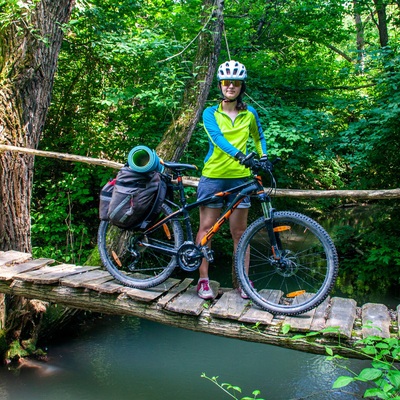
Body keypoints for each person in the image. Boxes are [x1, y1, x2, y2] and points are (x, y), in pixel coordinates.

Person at [195, 60, 268, 300]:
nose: (230, 86)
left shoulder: (249, 113)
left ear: (241, 86)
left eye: (235, 83)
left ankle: (242, 282)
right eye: (226, 82)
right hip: (213, 177)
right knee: (207, 230)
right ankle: (203, 280)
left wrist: (263, 156)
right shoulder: (210, 113)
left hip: (241, 181)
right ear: (220, 85)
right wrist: (240, 155)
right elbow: (217, 139)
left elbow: (259, 137)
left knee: (240, 233)